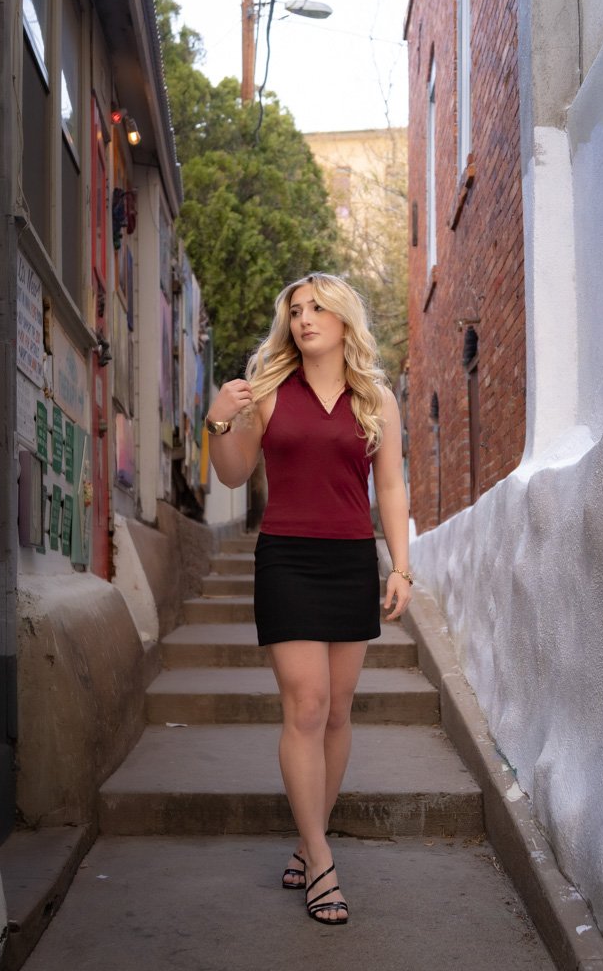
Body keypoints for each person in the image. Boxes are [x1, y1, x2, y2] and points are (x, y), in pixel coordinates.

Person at [205, 272, 413, 926]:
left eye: (317, 307)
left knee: (338, 711)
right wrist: (219, 418)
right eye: (295, 310)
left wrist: (400, 567)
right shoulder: (267, 393)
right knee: (307, 704)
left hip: (351, 558)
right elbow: (234, 473)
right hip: (288, 559)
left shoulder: (375, 396)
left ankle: (306, 834)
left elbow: (392, 486)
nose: (304, 318)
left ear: (344, 319)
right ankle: (320, 860)